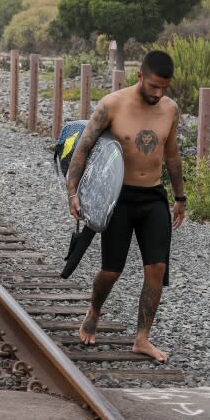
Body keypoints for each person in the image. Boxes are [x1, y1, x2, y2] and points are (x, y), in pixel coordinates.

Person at [66, 50, 185, 363]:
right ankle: (94, 311)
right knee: (111, 270)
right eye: (154, 86)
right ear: (140, 77)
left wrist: (180, 197)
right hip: (117, 197)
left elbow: (172, 155)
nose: (159, 93)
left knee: (157, 267)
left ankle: (142, 338)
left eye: (165, 88)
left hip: (153, 196)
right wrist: (73, 193)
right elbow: (83, 148)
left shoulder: (170, 109)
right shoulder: (112, 104)